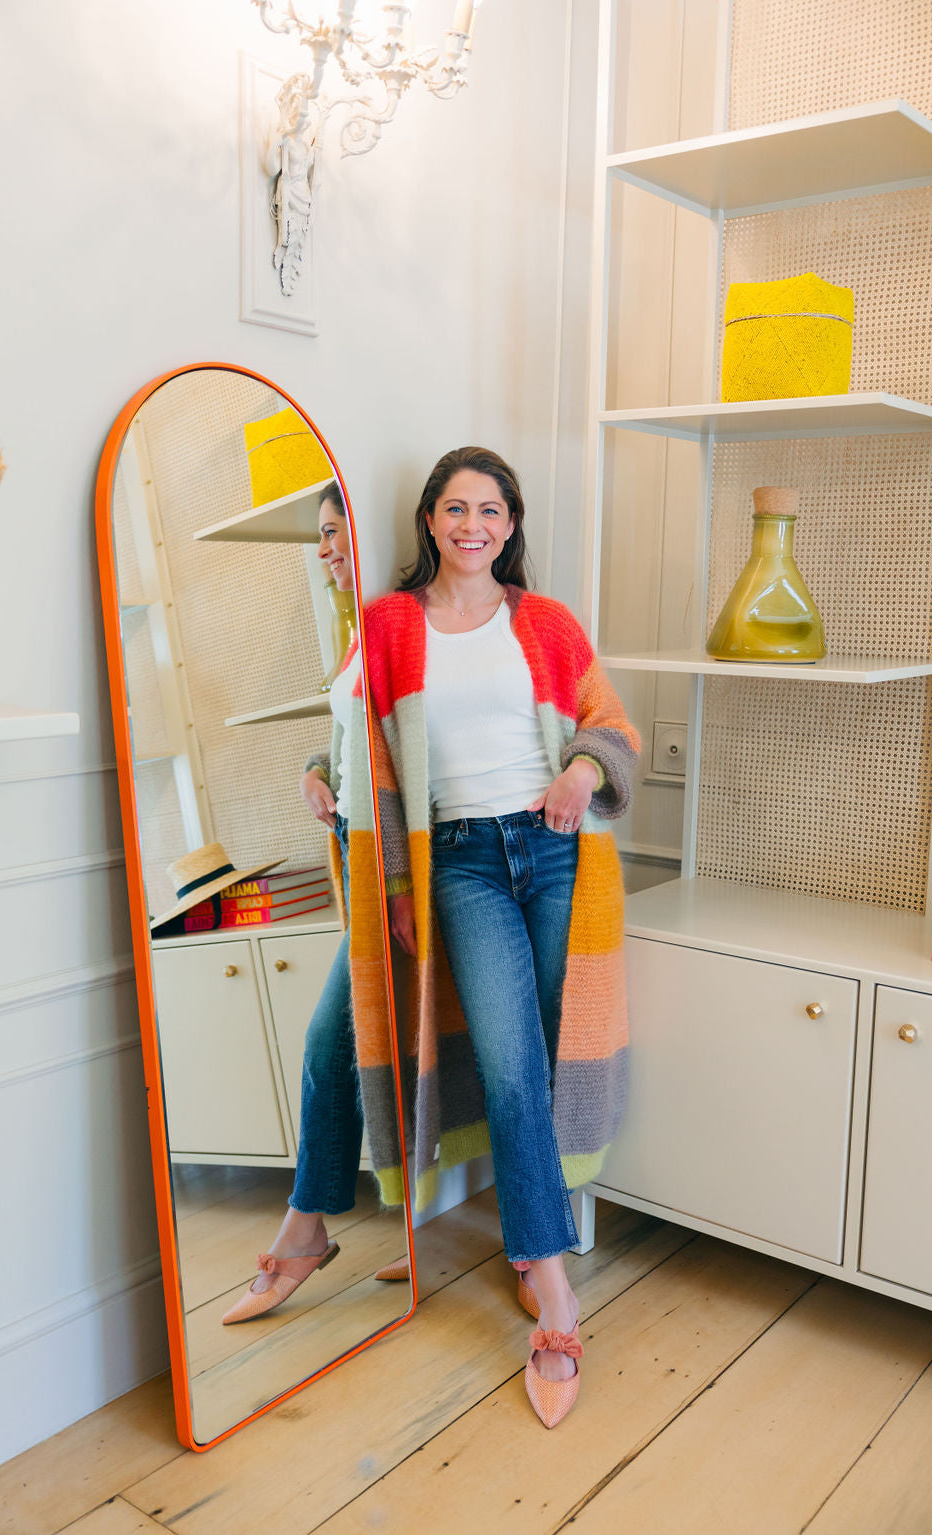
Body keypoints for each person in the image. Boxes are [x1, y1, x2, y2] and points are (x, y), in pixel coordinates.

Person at [362, 446, 639, 1427]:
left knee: (559, 1045)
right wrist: (393, 867)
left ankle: (530, 1241)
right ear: (429, 521)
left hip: (557, 847)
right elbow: (358, 743)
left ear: (510, 523)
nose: (471, 525)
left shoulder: (547, 621)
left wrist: (580, 770)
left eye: (489, 509)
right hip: (463, 863)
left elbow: (611, 724)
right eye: (454, 508)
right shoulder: (389, 624)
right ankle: (554, 1291)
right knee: (512, 1062)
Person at [221, 481, 404, 1322]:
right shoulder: (358, 628)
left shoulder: (403, 624)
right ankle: (406, 1222)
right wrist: (314, 769)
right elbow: (348, 733)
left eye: (335, 532)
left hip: (398, 874)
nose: (324, 549)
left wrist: (398, 882)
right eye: (320, 535)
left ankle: (306, 1227)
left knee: (332, 1043)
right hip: (361, 864)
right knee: (385, 1047)